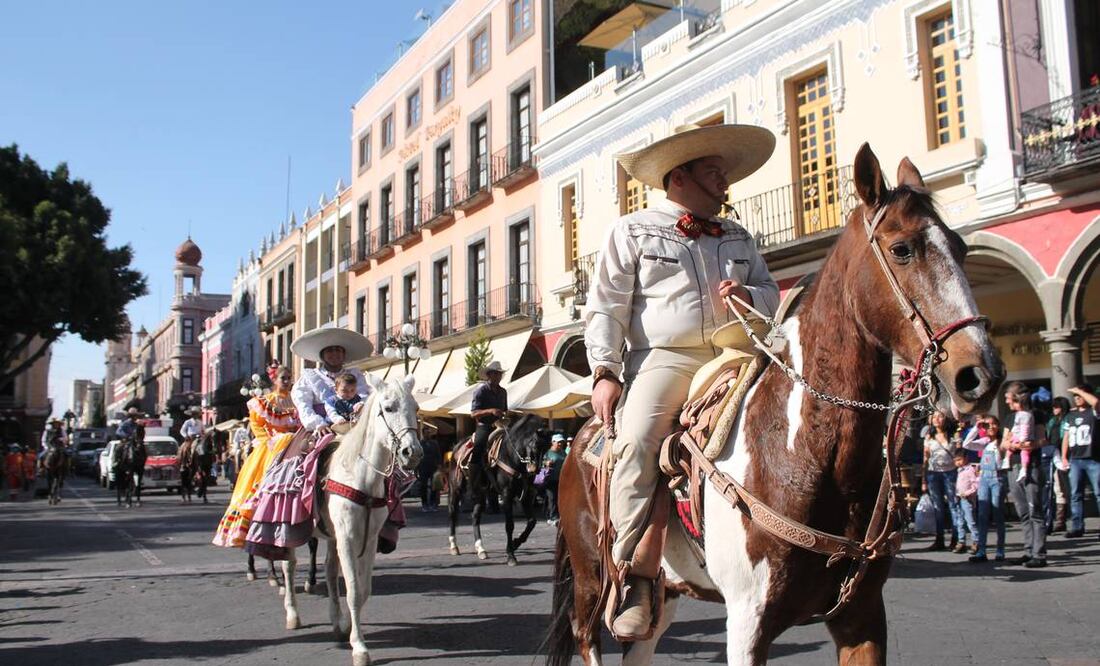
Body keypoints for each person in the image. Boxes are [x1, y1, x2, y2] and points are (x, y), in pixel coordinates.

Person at [586, 123, 779, 637]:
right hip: (664, 358)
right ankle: (633, 576)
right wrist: (605, 371)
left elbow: (770, 291)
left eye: (723, 173)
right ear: (679, 177)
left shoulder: (739, 236)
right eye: (713, 172)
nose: (724, 181)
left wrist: (750, 296)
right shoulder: (633, 231)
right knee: (636, 443)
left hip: (737, 350)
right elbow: (606, 306)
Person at [212, 363, 300, 548]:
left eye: (288, 378)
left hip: (296, 443)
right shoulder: (265, 401)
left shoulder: (296, 400)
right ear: (274, 380)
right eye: (282, 378)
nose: (286, 381)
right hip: (272, 447)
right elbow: (257, 425)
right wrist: (272, 440)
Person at [1003, 382, 1047, 567]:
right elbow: (1003, 442)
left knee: (1035, 510)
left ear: (1017, 397)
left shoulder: (1036, 414)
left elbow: (1042, 439)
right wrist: (1011, 445)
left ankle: (1039, 554)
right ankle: (1028, 551)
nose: (1006, 401)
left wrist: (1031, 445)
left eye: (1008, 398)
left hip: (1031, 466)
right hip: (1013, 466)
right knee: (1022, 512)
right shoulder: (1009, 417)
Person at [964, 415, 1007, 562]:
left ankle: (1000, 550)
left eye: (994, 424)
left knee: (998, 513)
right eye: (987, 425)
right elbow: (967, 444)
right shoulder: (985, 442)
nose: (991, 427)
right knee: (982, 514)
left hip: (997, 478)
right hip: (984, 479)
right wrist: (976, 428)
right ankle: (981, 550)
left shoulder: (1002, 441)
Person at [1062, 384, 1099, 539]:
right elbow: (1066, 436)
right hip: (1075, 459)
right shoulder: (1071, 415)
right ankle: (1077, 526)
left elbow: (1096, 402)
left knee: (1098, 493)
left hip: (1093, 459)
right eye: (1075, 396)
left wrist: (1080, 390)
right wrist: (1064, 456)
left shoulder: (1093, 412)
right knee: (1075, 494)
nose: (1077, 398)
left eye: (1080, 396)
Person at [922, 410, 961, 551]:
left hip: (951, 473)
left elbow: (960, 455)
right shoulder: (929, 436)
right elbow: (925, 458)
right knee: (938, 508)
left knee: (953, 505)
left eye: (940, 416)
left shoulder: (954, 435)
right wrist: (923, 480)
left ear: (946, 419)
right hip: (933, 474)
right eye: (934, 417)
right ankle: (939, 539)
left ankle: (957, 539)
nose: (937, 419)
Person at [1047, 396, 1071, 533]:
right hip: (1053, 455)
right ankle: (1060, 520)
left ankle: (1065, 518)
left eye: (1056, 406)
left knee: (1067, 487)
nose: (1054, 409)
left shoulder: (1068, 419)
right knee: (1057, 488)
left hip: (1067, 455)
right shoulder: (1052, 421)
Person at [954, 449, 979, 553]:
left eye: (960, 460)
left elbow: (975, 484)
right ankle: (961, 541)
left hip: (967, 499)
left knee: (970, 521)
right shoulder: (959, 470)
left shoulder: (970, 470)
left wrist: (968, 493)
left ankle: (976, 541)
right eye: (956, 460)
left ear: (966, 458)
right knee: (960, 521)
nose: (958, 462)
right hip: (959, 497)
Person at [542, 434, 567, 525]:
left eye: (561, 442)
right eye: (558, 442)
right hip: (550, 479)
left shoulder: (563, 452)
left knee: (559, 498)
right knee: (552, 498)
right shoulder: (548, 453)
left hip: (561, 479)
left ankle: (556, 515)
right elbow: (542, 463)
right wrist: (546, 463)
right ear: (553, 442)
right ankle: (553, 517)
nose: (560, 444)